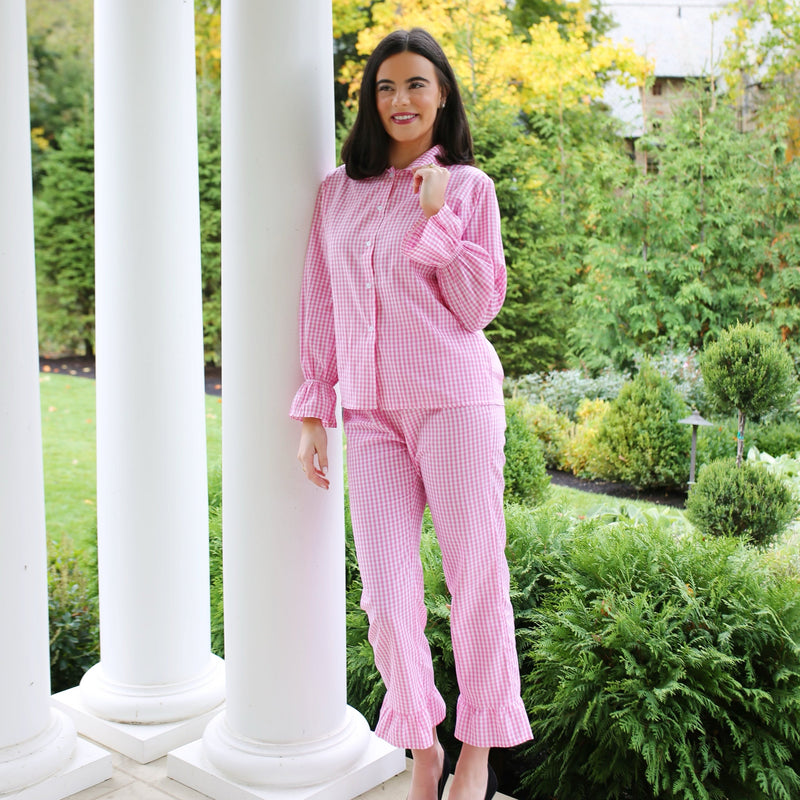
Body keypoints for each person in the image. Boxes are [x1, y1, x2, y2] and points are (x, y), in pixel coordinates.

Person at [291, 27, 532, 800]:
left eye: (417, 85)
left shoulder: (468, 188)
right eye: (386, 87)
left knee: (475, 579)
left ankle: (477, 752)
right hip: (369, 415)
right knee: (388, 594)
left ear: (443, 94)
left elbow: (475, 308)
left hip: (455, 401)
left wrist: (438, 221)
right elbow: (320, 305)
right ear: (371, 100)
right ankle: (420, 742)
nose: (401, 100)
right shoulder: (337, 193)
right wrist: (311, 410)